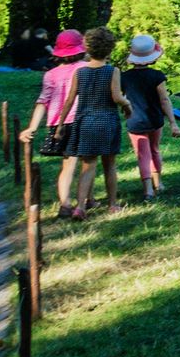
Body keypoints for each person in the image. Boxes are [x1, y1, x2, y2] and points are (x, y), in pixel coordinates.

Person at [55, 26, 130, 218]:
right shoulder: (112, 71)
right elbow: (117, 97)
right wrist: (127, 104)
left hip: (85, 122)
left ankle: (80, 206)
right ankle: (112, 204)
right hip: (107, 121)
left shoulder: (79, 73)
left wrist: (61, 125)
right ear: (110, 49)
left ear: (87, 48)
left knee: (87, 166)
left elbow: (69, 100)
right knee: (109, 165)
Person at [16, 28, 87, 212]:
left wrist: (32, 127)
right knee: (87, 163)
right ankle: (86, 200)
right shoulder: (84, 69)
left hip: (59, 124)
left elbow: (42, 101)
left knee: (67, 165)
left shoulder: (51, 74)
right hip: (81, 120)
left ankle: (65, 203)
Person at [122, 33, 180, 200]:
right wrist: (173, 123)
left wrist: (125, 110)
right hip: (154, 119)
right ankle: (158, 183)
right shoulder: (157, 76)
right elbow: (164, 100)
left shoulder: (124, 77)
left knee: (142, 154)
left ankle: (147, 190)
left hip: (134, 120)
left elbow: (122, 98)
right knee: (154, 150)